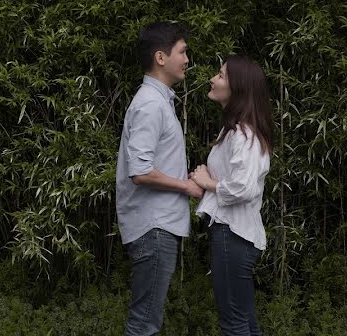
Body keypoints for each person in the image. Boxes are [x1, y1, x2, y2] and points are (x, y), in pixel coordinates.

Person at [116, 21, 204, 336]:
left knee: (146, 321)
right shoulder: (150, 104)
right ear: (161, 57)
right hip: (154, 227)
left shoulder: (159, 101)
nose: (187, 59)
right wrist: (187, 186)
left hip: (158, 226)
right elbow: (139, 171)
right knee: (144, 324)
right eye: (183, 52)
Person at [191, 56, 273, 336]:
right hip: (234, 235)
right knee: (244, 321)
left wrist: (208, 182)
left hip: (233, 234)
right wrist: (209, 180)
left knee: (234, 323)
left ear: (238, 88)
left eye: (221, 76)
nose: (213, 79)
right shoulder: (237, 131)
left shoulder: (243, 134)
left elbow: (243, 188)